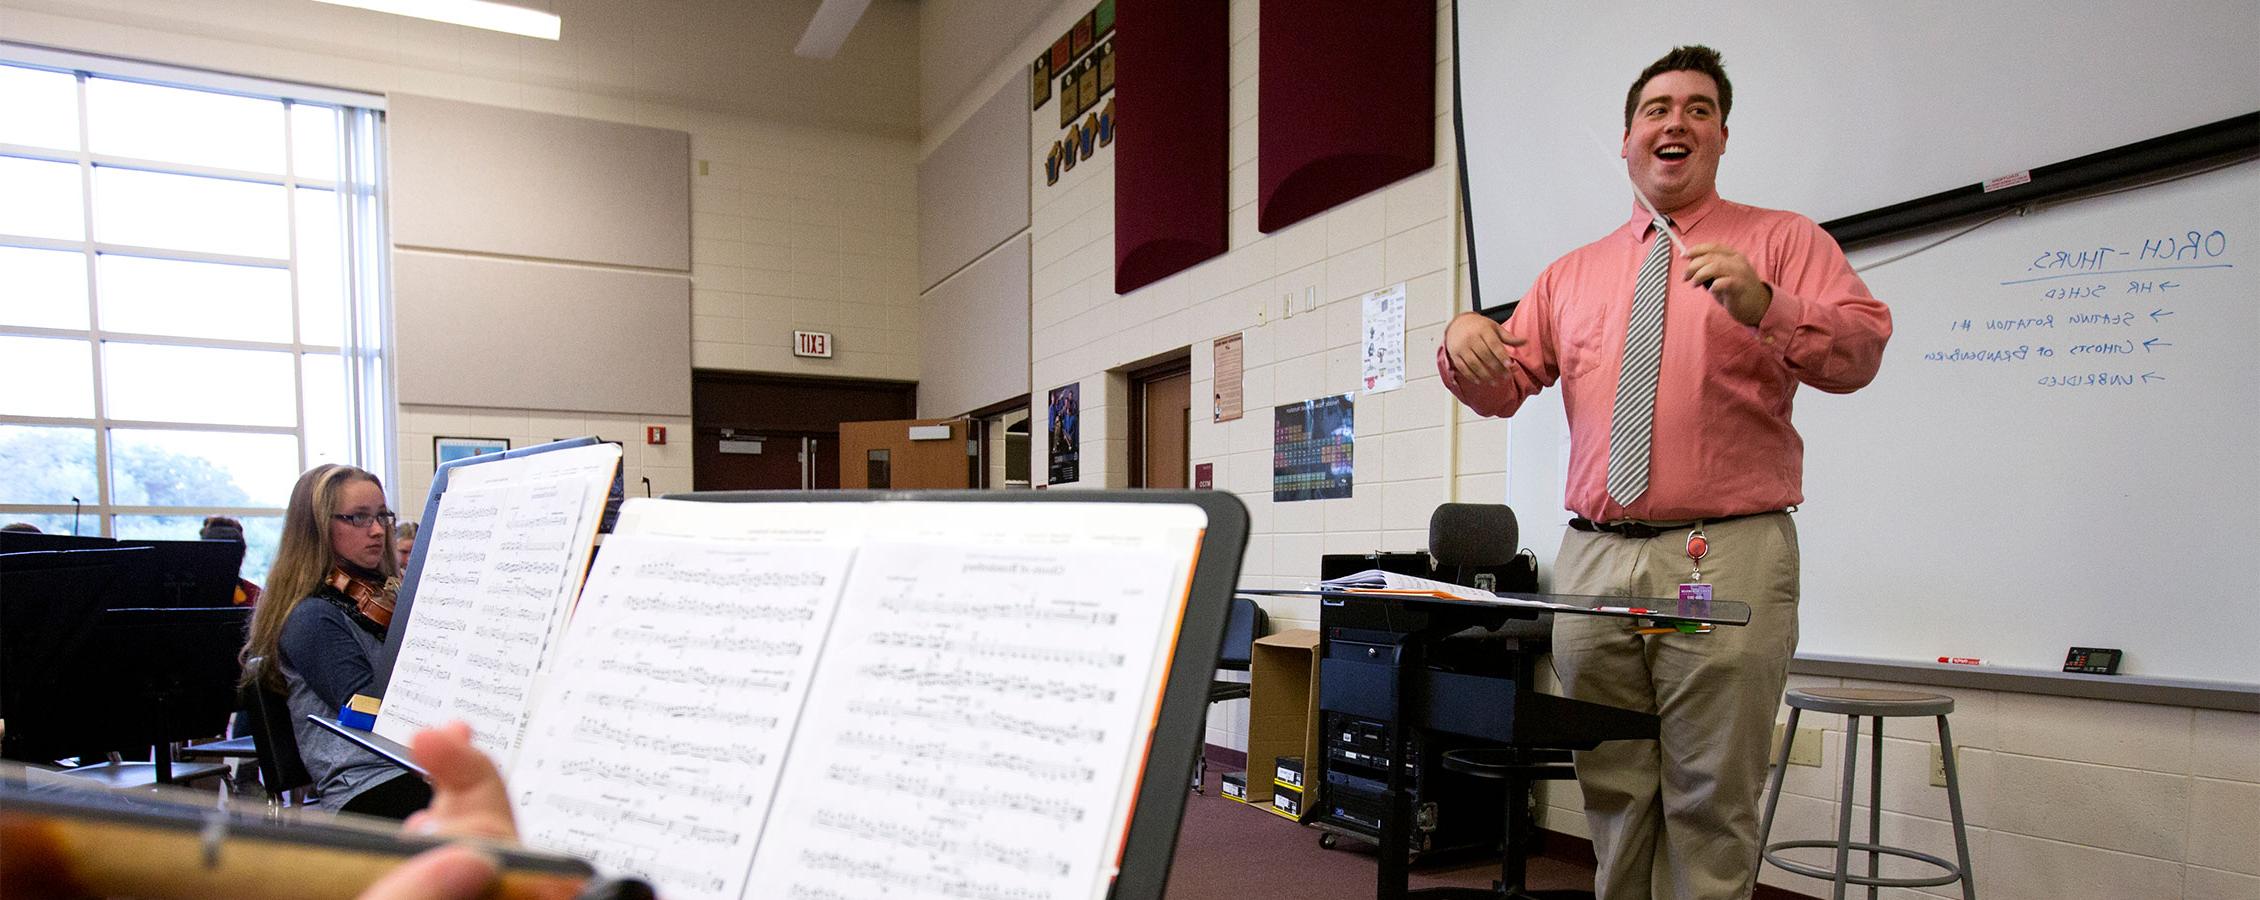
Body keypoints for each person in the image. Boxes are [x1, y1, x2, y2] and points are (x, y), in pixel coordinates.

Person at [1438, 46, 1890, 899]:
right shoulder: (1569, 274)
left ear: (1721, 136)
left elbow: (1860, 349)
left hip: (1718, 555)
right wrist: (1464, 342)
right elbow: (1503, 388)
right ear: (1627, 139)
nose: (1675, 122)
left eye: (1697, 108)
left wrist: (1771, 307)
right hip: (1597, 564)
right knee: (1611, 786)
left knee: (1709, 794)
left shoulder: (1783, 242)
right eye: (1656, 108)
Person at [240, 464, 432, 819]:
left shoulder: (383, 595)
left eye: (381, 516)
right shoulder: (311, 616)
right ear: (317, 527)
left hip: (411, 770)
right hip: (368, 784)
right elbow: (369, 712)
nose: (377, 531)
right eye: (358, 518)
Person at [200, 515, 265, 607]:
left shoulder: (255, 596)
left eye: (230, 553)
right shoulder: (256, 596)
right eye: (217, 553)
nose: (222, 561)